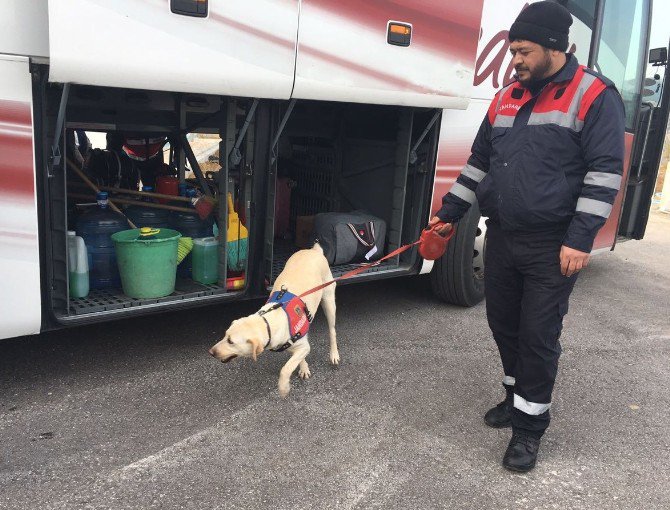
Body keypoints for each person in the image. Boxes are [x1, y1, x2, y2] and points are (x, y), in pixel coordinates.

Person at [429, 1, 625, 472]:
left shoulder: (594, 95)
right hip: (503, 236)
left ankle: (529, 430)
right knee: (505, 325)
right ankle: (517, 399)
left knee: (538, 335)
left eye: (522, 50)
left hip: (553, 244)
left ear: (554, 47)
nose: (513, 59)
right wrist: (449, 213)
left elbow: (604, 174)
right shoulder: (505, 97)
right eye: (512, 50)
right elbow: (478, 162)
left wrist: (580, 239)